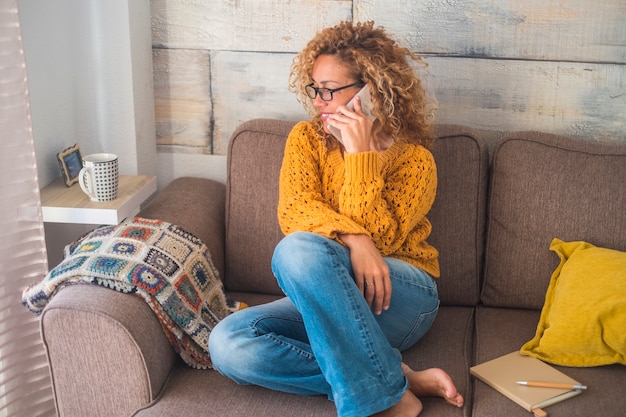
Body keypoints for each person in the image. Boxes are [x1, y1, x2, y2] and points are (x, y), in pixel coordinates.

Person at [208, 20, 464, 417]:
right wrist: (354, 239)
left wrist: (360, 157)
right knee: (228, 342)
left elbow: (383, 243)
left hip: (400, 296)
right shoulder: (306, 140)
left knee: (298, 250)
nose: (318, 102)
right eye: (315, 89)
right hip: (330, 293)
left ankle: (379, 400)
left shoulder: (415, 161)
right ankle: (394, 381)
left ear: (372, 90)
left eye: (329, 91)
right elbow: (294, 211)